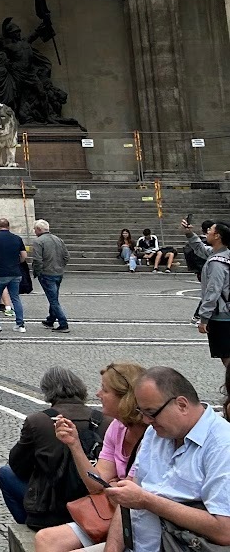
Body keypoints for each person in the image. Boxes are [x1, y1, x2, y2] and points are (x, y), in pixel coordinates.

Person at [93, 367, 230, 552]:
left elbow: (224, 530)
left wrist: (146, 501)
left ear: (182, 404)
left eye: (151, 412)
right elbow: (130, 495)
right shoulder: (155, 432)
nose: (146, 420)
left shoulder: (222, 445)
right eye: (141, 411)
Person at [34, 362, 146, 552]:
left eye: (104, 390)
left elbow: (125, 495)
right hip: (112, 514)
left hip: (140, 522)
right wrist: (74, 444)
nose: (97, 394)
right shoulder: (117, 428)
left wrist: (112, 484)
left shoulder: (151, 435)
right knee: (45, 538)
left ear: (125, 398)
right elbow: (96, 485)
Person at [0, 367, 103, 531]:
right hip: (94, 508)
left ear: (47, 391)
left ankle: (30, 530)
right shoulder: (105, 421)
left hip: (52, 511)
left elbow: (18, 467)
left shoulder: (38, 421)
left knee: (5, 474)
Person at [194, 221, 230, 369]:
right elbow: (201, 249)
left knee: (226, 355)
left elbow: (213, 291)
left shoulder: (217, 263)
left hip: (222, 314)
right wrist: (190, 234)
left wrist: (204, 318)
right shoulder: (225, 254)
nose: (207, 232)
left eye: (210, 231)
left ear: (217, 236)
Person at [0, 217, 29, 332]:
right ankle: (20, 324)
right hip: (15, 272)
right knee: (15, 298)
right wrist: (18, 262)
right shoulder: (17, 238)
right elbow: (24, 255)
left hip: (0, 272)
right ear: (8, 226)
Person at [28, 219, 71, 333]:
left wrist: (37, 272)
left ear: (39, 229)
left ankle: (63, 323)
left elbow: (37, 259)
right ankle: (50, 319)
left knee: (53, 300)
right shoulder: (58, 239)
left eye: (35, 229)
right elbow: (66, 256)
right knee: (54, 296)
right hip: (58, 272)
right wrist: (60, 266)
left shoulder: (38, 241)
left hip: (47, 273)